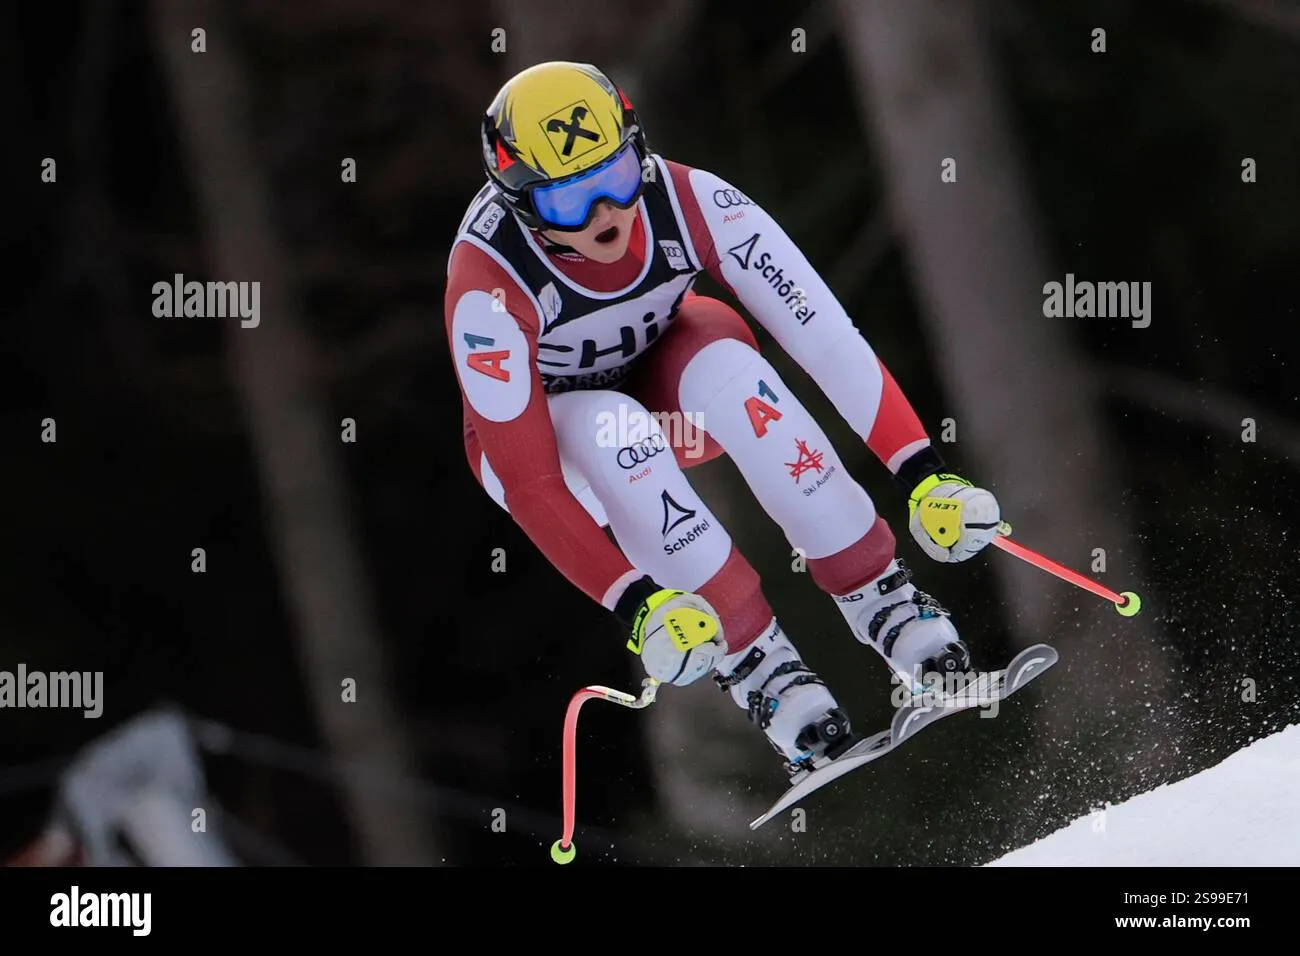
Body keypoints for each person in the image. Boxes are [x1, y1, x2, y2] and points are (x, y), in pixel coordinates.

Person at [444, 61, 1003, 781]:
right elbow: (529, 482)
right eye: (569, 202)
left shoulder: (693, 200)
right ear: (522, 206)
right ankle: (761, 668)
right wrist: (637, 605)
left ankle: (890, 603)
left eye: (615, 178)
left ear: (638, 151)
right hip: (546, 448)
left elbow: (825, 337)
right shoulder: (487, 284)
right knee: (617, 429)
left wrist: (923, 471)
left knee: (732, 369)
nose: (604, 216)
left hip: (668, 395)